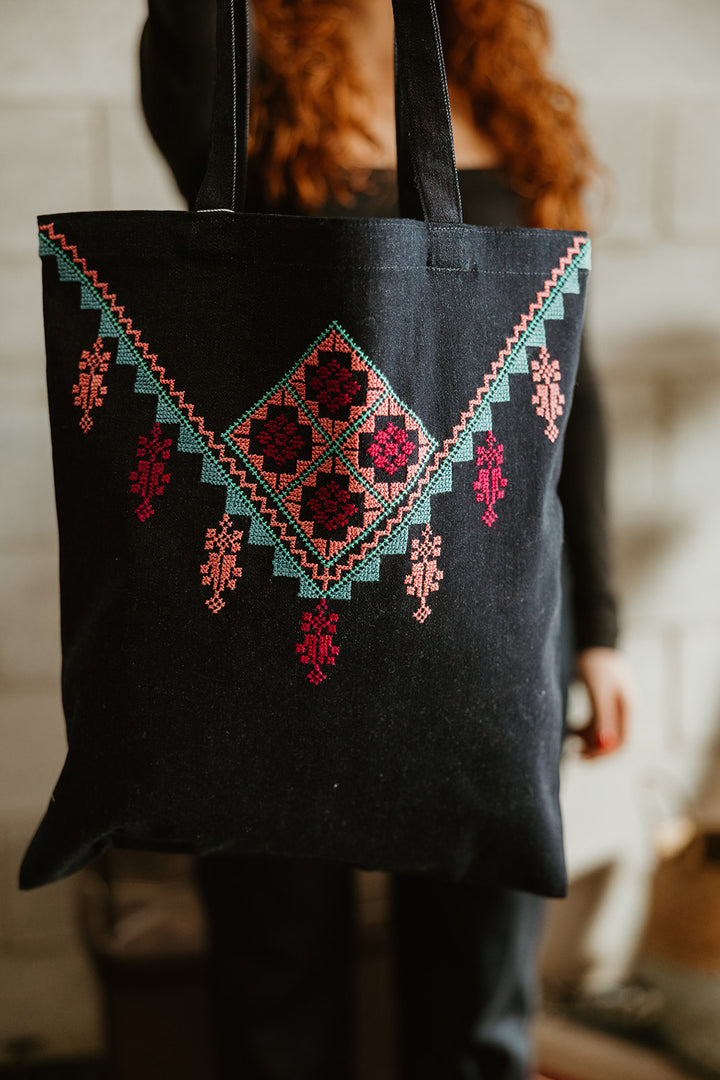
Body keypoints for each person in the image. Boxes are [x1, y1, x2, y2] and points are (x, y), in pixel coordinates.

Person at [140, 2, 635, 1077]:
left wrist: (596, 626)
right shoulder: (247, 68)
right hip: (279, 606)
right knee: (275, 985)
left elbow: (563, 387)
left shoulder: (503, 85)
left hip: (494, 616)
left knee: (479, 1001)